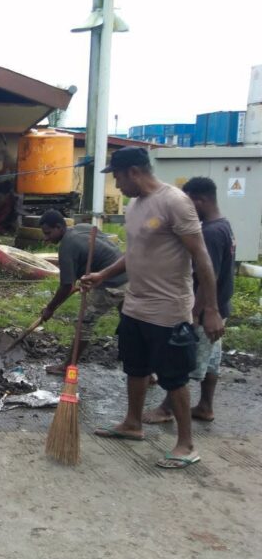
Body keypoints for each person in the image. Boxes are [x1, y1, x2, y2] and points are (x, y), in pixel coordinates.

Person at [81, 147, 224, 469]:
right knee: (136, 368)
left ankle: (186, 444)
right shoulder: (135, 206)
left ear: (133, 171)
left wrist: (211, 308)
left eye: (116, 176)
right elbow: (135, 253)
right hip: (135, 306)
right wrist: (103, 274)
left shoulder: (175, 202)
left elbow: (202, 257)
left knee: (174, 377)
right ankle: (133, 423)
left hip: (168, 310)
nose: (116, 185)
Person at [142, 177, 235, 424]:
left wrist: (197, 312)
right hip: (220, 307)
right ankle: (205, 406)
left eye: (187, 203)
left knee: (187, 361)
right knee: (211, 360)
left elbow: (208, 274)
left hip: (205, 311)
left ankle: (166, 409)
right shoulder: (222, 225)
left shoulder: (210, 233)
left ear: (199, 200)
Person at [38, 210, 128, 375]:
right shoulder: (83, 227)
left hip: (112, 283)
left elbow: (66, 286)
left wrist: (50, 308)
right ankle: (147, 372)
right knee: (131, 323)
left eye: (48, 233)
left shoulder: (67, 246)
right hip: (129, 275)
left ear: (59, 227)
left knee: (84, 323)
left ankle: (67, 366)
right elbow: (99, 251)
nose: (46, 238)